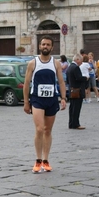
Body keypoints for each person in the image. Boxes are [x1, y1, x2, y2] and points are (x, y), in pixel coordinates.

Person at [23, 35, 66, 173]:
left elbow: (61, 82)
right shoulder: (33, 63)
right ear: (39, 46)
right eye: (43, 44)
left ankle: (46, 160)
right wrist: (26, 102)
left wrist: (63, 98)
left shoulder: (56, 63)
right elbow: (26, 84)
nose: (45, 47)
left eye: (48, 44)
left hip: (52, 99)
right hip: (37, 99)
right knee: (40, 129)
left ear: (52, 47)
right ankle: (37, 159)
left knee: (48, 130)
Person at [66, 54, 88, 130]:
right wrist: (85, 78)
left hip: (72, 89)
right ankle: (76, 124)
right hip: (77, 90)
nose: (81, 63)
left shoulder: (69, 67)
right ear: (77, 59)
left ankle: (71, 123)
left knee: (72, 107)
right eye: (81, 61)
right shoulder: (75, 68)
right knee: (76, 108)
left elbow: (68, 80)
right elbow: (78, 78)